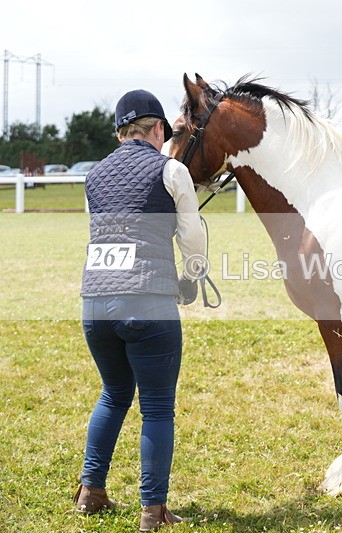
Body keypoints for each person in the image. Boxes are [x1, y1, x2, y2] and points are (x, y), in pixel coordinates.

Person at [74, 89, 206, 531]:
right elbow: (192, 237)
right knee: (157, 407)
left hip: (95, 302)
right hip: (148, 301)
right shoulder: (172, 169)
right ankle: (153, 509)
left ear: (119, 134)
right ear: (159, 129)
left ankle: (91, 491)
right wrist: (192, 277)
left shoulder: (93, 176)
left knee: (113, 394)